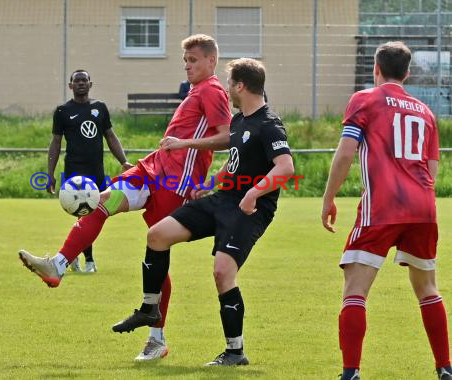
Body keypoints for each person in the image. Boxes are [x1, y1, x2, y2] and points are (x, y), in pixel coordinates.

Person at [19, 34, 232, 361]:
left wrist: (183, 145)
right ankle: (58, 265)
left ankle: (156, 340)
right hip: (150, 170)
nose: (187, 66)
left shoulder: (214, 91)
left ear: (211, 61)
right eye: (185, 61)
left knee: (157, 254)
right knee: (100, 201)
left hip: (175, 184)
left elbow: (226, 138)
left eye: (193, 61)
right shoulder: (196, 90)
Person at [112, 58, 294, 366]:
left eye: (229, 84)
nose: (226, 90)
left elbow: (285, 167)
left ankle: (235, 352)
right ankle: (149, 307)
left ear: (240, 86)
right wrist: (210, 182)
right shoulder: (240, 121)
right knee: (157, 235)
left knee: (223, 272)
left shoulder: (268, 124)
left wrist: (253, 192)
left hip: (249, 209)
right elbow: (234, 161)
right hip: (222, 199)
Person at [321, 41, 451, 380]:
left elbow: (347, 152)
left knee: (355, 290)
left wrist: (328, 198)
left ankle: (350, 372)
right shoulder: (425, 112)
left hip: (382, 206)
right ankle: (445, 367)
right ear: (407, 72)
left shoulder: (364, 100)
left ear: (375, 69)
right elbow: (432, 168)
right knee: (427, 288)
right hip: (423, 207)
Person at [48, 69, 133, 273]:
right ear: (70, 86)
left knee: (91, 214)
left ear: (90, 84)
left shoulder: (99, 108)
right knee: (83, 213)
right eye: (76, 80)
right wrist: (50, 173)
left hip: (96, 170)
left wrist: (124, 161)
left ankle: (77, 257)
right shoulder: (62, 111)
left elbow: (110, 137)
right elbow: (56, 143)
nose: (80, 83)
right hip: (75, 173)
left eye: (84, 80)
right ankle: (88, 261)